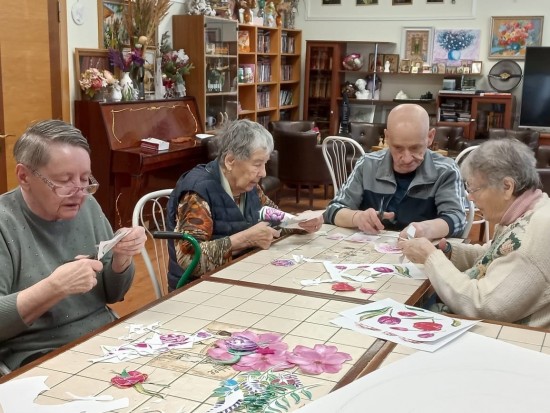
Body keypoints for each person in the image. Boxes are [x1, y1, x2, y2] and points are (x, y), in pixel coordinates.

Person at [0, 120, 146, 371]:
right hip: (39, 353)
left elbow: (113, 294)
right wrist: (55, 287)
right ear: (24, 176)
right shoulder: (5, 223)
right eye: (65, 180)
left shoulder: (87, 205)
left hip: (105, 336)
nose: (80, 192)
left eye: (85, 178)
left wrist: (121, 260)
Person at [399, 139, 550, 327]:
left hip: (512, 339)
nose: (469, 197)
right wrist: (450, 253)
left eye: (474, 189)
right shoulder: (532, 210)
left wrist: (431, 258)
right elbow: (495, 255)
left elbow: (482, 305)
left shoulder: (529, 240)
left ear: (507, 187)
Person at [167, 119, 320, 290]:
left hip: (238, 277)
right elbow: (189, 260)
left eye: (265, 164)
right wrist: (246, 239)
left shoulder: (248, 187)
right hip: (197, 289)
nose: (263, 173)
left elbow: (274, 219)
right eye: (257, 164)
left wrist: (299, 222)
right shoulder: (197, 192)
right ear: (230, 160)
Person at [323, 104, 466, 240]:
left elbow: (457, 220)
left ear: (430, 137)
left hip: (420, 254)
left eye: (415, 148)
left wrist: (427, 229)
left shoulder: (446, 171)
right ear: (387, 137)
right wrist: (357, 217)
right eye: (398, 148)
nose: (407, 158)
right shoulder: (367, 164)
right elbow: (333, 210)